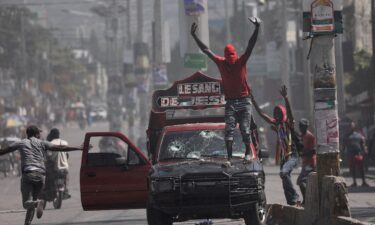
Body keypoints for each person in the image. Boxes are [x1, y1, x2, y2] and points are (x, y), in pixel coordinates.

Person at [190, 17, 260, 164]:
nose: (231, 60)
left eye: (233, 57)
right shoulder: (221, 62)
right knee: (229, 131)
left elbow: (250, 45)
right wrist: (194, 36)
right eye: (229, 57)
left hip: (244, 100)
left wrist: (257, 28)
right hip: (230, 102)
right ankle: (228, 158)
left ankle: (248, 152)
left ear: (235, 55)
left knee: (245, 129)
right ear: (225, 56)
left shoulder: (241, 61)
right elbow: (206, 50)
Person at [0, 125, 83, 225]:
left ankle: (37, 203)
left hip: (28, 175)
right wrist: (79, 148)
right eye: (39, 133)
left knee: (27, 203)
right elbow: (60, 147)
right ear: (36, 134)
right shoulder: (42, 143)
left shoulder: (21, 143)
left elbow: (4, 150)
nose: (40, 135)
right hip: (41, 176)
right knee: (32, 201)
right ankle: (28, 222)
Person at [251, 85, 300, 206]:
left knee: (283, 173)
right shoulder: (276, 124)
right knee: (284, 178)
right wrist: (253, 101)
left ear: (282, 114)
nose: (277, 115)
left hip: (292, 155)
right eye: (275, 113)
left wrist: (286, 98)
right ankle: (291, 202)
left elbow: (290, 112)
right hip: (284, 158)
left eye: (279, 113)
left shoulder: (288, 123)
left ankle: (295, 196)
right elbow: (262, 114)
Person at [45, 128, 71, 199]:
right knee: (67, 177)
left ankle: (48, 192)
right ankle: (66, 190)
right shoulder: (65, 142)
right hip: (65, 167)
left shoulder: (50, 143)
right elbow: (67, 155)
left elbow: (48, 156)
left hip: (55, 168)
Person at [296, 118, 316, 204]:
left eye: (303, 126)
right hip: (305, 163)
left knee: (301, 181)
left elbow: (314, 150)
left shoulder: (310, 136)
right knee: (305, 181)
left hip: (310, 163)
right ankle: (308, 200)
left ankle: (307, 200)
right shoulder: (302, 136)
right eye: (300, 126)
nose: (301, 128)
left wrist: (304, 153)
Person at [344, 122, 369, 187]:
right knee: (353, 168)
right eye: (349, 126)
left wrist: (364, 150)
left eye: (351, 126)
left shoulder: (359, 135)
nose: (350, 127)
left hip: (358, 154)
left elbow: (362, 143)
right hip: (351, 154)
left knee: (361, 168)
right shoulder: (346, 136)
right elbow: (344, 145)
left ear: (354, 126)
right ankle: (354, 182)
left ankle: (364, 182)